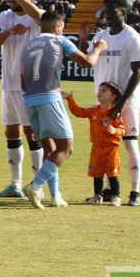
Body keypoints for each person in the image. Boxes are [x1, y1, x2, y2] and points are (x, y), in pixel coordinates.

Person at [19, 11, 107, 210]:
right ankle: (35, 186)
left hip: (30, 100)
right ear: (58, 27)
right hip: (49, 97)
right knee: (66, 148)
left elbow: (22, 80)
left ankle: (55, 195)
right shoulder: (59, 40)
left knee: (50, 149)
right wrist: (98, 49)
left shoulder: (27, 46)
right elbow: (88, 62)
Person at [77, 0, 140, 207]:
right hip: (106, 103)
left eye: (111, 12)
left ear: (123, 13)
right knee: (106, 146)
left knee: (129, 144)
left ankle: (135, 192)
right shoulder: (100, 37)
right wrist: (82, 40)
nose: (106, 16)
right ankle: (109, 190)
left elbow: (138, 73)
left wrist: (122, 102)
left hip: (127, 102)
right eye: (104, 12)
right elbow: (86, 64)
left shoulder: (132, 38)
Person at [0, 0, 45, 198]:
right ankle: (15, 184)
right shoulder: (5, 16)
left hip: (29, 84)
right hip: (8, 83)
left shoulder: (36, 15)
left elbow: (40, 18)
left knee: (32, 133)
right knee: (11, 131)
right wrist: (9, 31)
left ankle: (37, 186)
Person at [64, 82, 125, 206]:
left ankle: (115, 196)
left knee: (112, 173)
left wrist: (115, 131)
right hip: (97, 147)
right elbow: (78, 112)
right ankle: (97, 196)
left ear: (112, 97)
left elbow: (123, 129)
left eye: (104, 90)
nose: (100, 92)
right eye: (99, 89)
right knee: (96, 173)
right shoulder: (93, 110)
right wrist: (69, 99)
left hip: (111, 148)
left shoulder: (114, 113)